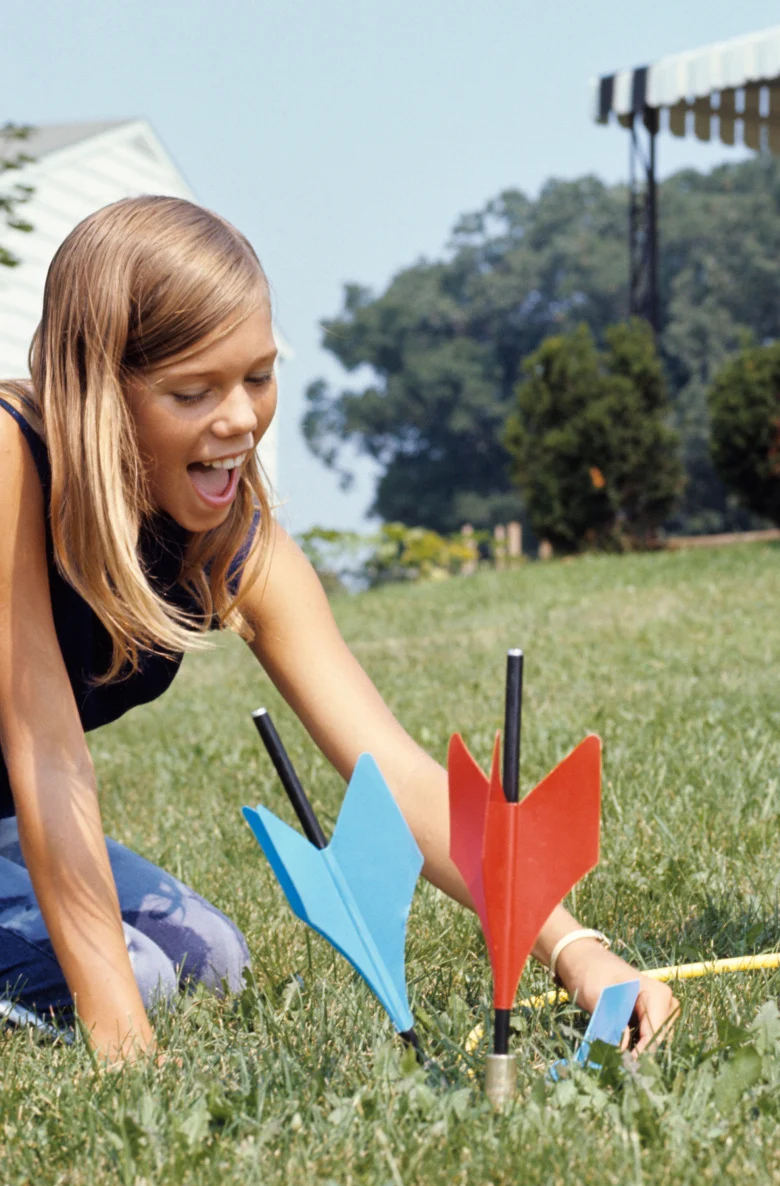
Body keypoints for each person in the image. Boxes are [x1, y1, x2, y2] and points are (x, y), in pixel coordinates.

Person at [0, 195, 677, 1061]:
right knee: (137, 984)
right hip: (28, 798)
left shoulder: (231, 542)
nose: (242, 418)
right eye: (193, 391)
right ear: (100, 395)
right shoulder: (16, 460)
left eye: (257, 375)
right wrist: (125, 1045)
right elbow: (47, 755)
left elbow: (391, 769)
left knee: (211, 962)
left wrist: (576, 950)